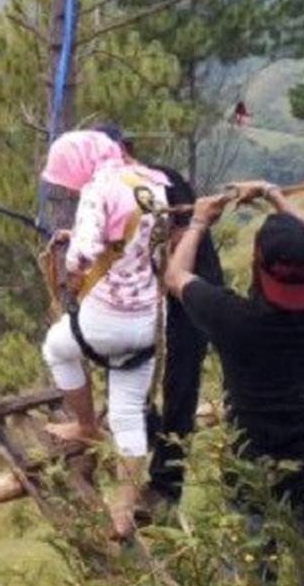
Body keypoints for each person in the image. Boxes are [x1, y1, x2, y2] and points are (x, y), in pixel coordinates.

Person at [165, 181, 304, 586]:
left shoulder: (233, 319)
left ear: (256, 263)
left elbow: (175, 277)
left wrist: (198, 221)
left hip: (252, 483)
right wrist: (275, 196)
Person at [39, 130, 172, 538]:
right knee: (127, 414)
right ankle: (123, 513)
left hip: (107, 320)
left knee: (57, 348)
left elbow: (82, 256)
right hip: (150, 318)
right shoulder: (149, 182)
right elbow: (137, 238)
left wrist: (74, 252)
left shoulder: (98, 189)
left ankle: (84, 425)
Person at [94, 125, 225, 508]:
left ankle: (167, 486)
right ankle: (145, 434)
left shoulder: (164, 180)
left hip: (188, 292)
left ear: (124, 151)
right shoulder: (108, 194)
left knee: (181, 384)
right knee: (128, 367)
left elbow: (183, 240)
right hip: (143, 298)